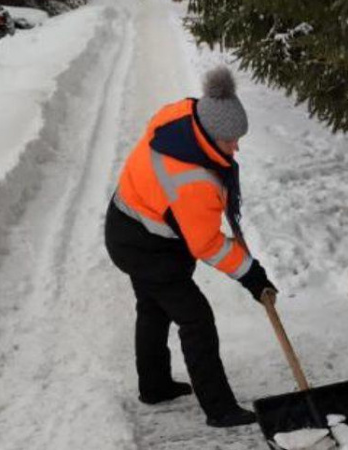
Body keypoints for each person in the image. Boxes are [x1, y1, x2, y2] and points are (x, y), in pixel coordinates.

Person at [105, 66, 276, 428]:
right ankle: (220, 409)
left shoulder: (185, 112)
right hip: (145, 244)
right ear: (210, 137)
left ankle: (154, 386)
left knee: (152, 306)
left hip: (130, 220)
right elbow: (207, 244)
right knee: (196, 319)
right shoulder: (194, 181)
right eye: (230, 141)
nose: (237, 147)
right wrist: (251, 275)